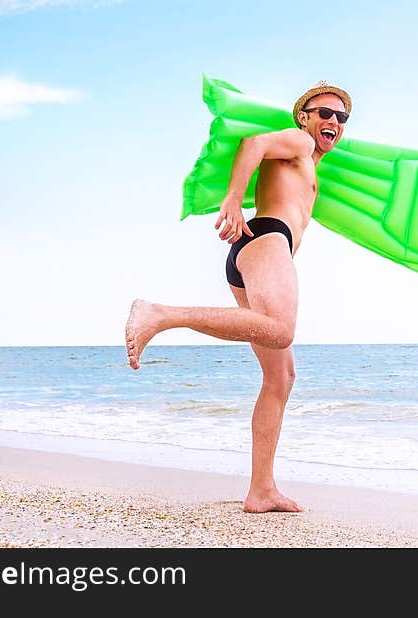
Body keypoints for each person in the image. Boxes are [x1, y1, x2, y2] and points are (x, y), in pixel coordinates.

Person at [125, 80, 352, 513]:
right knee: (281, 331)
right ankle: (159, 314)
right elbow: (255, 142)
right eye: (325, 113)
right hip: (268, 238)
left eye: (341, 117)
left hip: (257, 254)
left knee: (281, 377)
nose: (333, 122)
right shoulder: (300, 142)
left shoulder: (311, 160)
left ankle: (261, 490)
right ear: (304, 116)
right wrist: (233, 198)